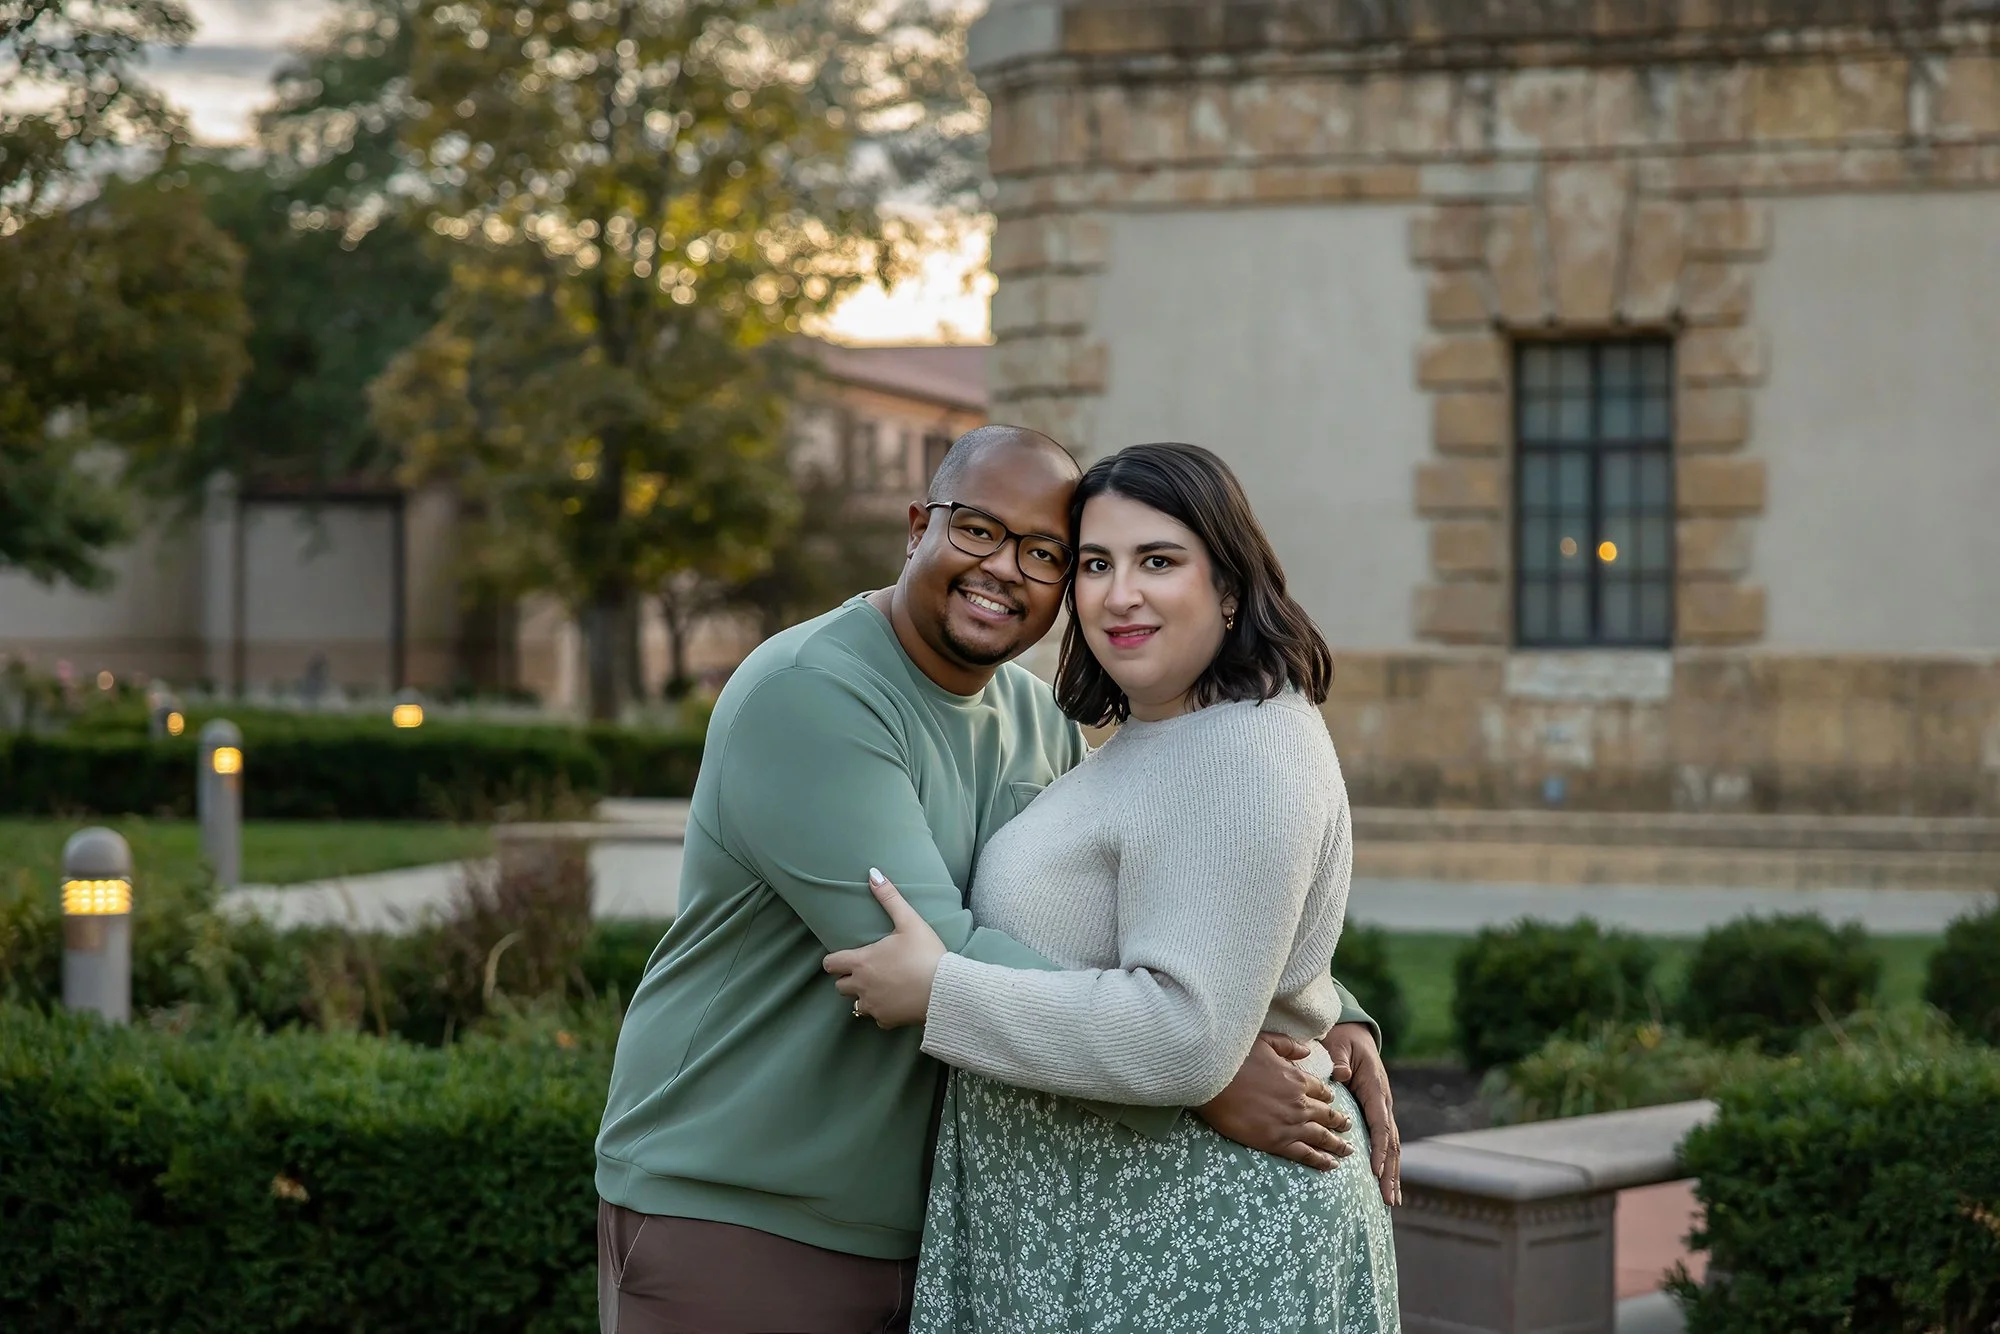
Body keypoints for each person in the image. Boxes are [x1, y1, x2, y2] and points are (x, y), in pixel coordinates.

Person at [595, 426, 1401, 1334]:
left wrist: (1319, 1008)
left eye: (1046, 553)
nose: (1005, 568)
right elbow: (928, 952)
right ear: (918, 528)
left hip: (939, 1222)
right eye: (978, 530)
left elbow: (1135, 902)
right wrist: (1203, 1073)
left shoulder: (1034, 713)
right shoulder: (812, 694)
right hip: (751, 1208)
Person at [827, 441, 1400, 1332]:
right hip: (1107, 1237)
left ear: (1230, 586)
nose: (1118, 594)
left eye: (1158, 562)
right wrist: (1335, 1008)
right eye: (1095, 564)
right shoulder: (1152, 738)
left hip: (1196, 1244)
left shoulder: (1244, 747)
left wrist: (942, 994)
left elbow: (1187, 1037)